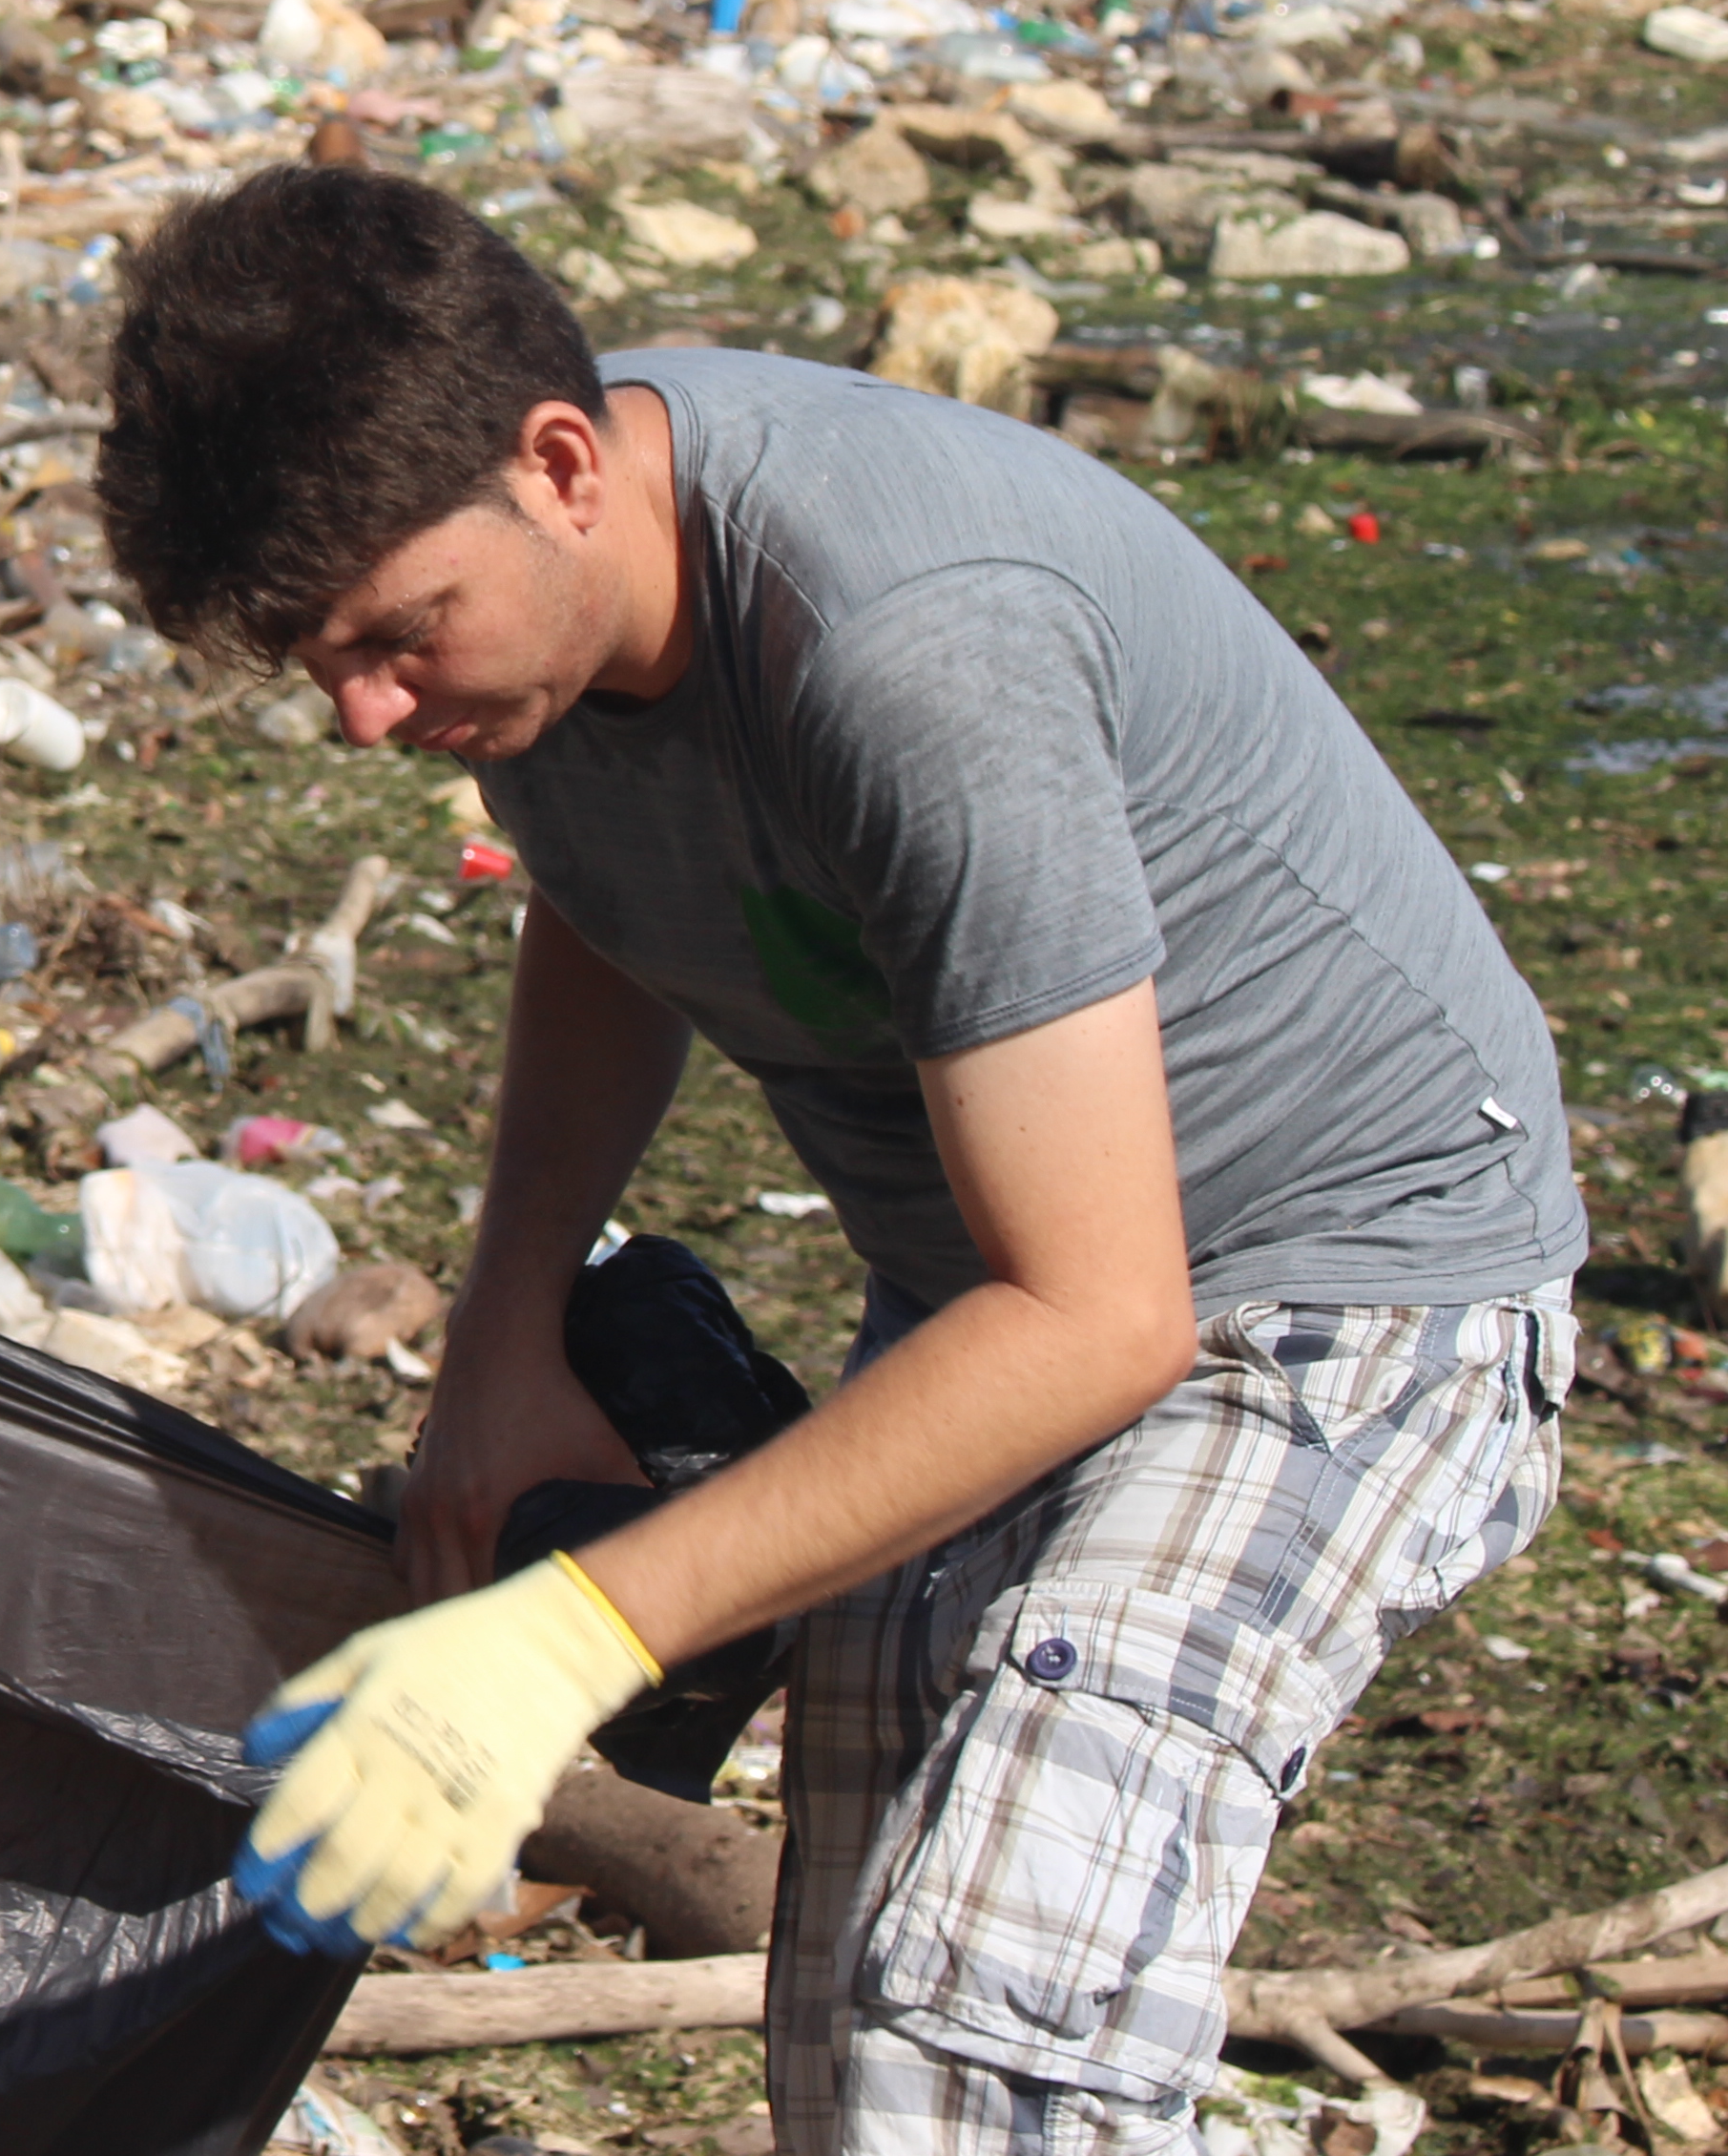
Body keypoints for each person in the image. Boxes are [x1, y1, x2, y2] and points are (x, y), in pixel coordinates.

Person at [91, 165, 1576, 2154]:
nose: (369, 715)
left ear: (558, 463)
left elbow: (1110, 1311)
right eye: (319, 668)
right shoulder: (552, 598)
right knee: (860, 2007)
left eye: (396, 639)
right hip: (994, 1284)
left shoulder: (907, 645)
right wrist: (502, 1336)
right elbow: (608, 900)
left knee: (979, 2031)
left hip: (1341, 1289)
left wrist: (574, 1631)